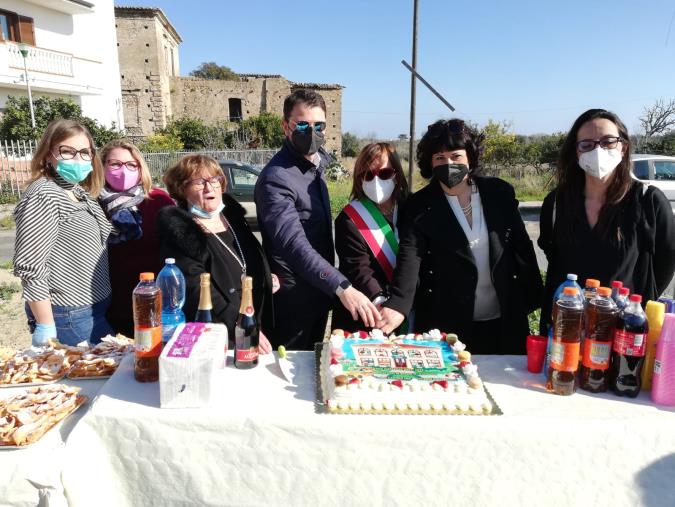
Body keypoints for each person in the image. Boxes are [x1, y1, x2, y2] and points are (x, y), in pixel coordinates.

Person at [377, 119, 543, 354]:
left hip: (505, 319)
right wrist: (398, 305)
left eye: (456, 156)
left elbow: (521, 247)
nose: (449, 164)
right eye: (439, 158)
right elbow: (410, 255)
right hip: (447, 325)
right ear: (430, 163)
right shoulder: (419, 205)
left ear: (470, 158)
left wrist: (536, 296)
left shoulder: (499, 193)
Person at [254, 89, 379, 350]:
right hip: (292, 301)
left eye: (318, 125)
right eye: (302, 124)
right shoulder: (277, 178)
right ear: (285, 126)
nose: (311, 132)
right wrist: (341, 286)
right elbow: (293, 244)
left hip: (318, 292)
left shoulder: (315, 166)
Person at [538, 108, 675, 334]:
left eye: (608, 141)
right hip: (567, 331)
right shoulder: (556, 203)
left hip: (625, 333)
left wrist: (633, 307)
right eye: (587, 144)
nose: (598, 150)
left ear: (623, 146)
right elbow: (555, 258)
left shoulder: (648, 200)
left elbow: (665, 263)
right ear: (576, 152)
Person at [156, 154, 273, 352]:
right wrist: (240, 323)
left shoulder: (233, 219)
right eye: (199, 183)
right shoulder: (182, 232)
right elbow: (196, 289)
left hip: (254, 314)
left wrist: (266, 275)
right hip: (220, 329)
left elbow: (249, 258)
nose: (209, 188)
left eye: (215, 180)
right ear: (182, 189)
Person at [13, 119, 113, 346]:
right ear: (49, 155)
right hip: (69, 313)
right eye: (67, 152)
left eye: (85, 152)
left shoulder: (77, 191)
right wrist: (46, 325)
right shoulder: (44, 194)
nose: (78, 159)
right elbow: (31, 265)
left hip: (94, 308)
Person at [98, 139, 175, 336]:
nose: (124, 170)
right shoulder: (92, 202)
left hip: (153, 300)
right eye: (115, 164)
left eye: (132, 165)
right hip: (107, 304)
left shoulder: (158, 200)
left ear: (141, 169)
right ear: (102, 165)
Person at [332, 142, 410, 332]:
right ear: (359, 180)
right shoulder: (349, 219)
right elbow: (358, 268)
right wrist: (382, 303)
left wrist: (401, 303)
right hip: (369, 316)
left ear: (396, 174)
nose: (376, 181)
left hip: (409, 306)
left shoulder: (412, 208)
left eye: (384, 174)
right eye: (367, 175)